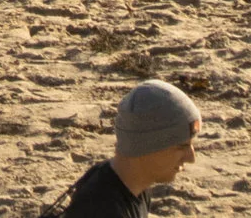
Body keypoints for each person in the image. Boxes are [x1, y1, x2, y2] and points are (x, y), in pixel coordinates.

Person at [52, 83, 199, 212]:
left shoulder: (134, 185)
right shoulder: (102, 209)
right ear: (146, 145)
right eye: (181, 146)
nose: (191, 158)